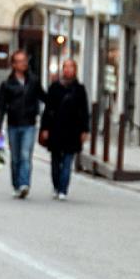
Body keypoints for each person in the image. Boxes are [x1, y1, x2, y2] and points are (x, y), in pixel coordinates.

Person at [0, 49, 47, 198]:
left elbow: (44, 97)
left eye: (25, 61)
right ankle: (16, 184)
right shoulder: (7, 84)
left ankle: (25, 184)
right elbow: (1, 107)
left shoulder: (34, 81)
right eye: (20, 61)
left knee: (25, 154)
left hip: (29, 123)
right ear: (13, 64)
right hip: (13, 124)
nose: (23, 64)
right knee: (15, 157)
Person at [39, 59, 89, 201]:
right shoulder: (54, 87)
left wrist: (85, 130)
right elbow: (48, 109)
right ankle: (56, 185)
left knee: (67, 161)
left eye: (70, 67)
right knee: (55, 161)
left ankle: (63, 189)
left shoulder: (79, 89)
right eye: (65, 67)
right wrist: (45, 128)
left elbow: (84, 110)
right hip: (55, 128)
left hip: (73, 129)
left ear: (75, 70)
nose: (67, 70)